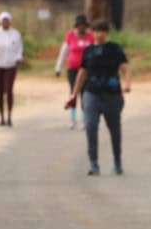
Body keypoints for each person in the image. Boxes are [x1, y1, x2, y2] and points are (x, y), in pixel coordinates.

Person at [65, 19, 131, 176]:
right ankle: (93, 164)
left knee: (114, 129)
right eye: (96, 31)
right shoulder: (88, 51)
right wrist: (74, 94)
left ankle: (117, 161)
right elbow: (82, 73)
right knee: (90, 126)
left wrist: (127, 84)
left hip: (112, 94)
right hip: (91, 93)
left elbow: (125, 68)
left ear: (107, 32)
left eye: (102, 31)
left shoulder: (115, 48)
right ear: (92, 32)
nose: (99, 34)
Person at [55, 13, 95, 129]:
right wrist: (58, 67)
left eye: (83, 25)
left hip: (87, 70)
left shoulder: (90, 36)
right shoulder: (70, 35)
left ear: (86, 26)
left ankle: (84, 119)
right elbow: (64, 52)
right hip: (73, 69)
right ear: (76, 26)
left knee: (85, 93)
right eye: (79, 25)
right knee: (73, 92)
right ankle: (72, 119)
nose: (81, 27)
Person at [0, 11, 23, 127]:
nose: (5, 22)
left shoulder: (15, 34)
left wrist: (18, 58)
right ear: (0, 21)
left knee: (9, 89)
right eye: (3, 20)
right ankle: (1, 117)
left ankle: (9, 116)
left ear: (10, 21)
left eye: (7, 20)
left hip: (10, 65)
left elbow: (19, 49)